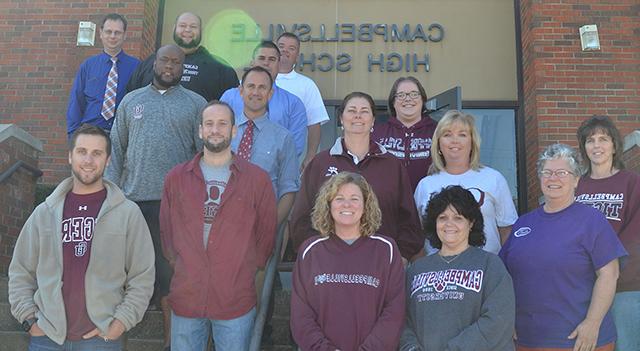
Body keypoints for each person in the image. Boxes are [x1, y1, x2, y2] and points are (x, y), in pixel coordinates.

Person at [8, 124, 155, 350]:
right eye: (82, 151)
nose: (88, 160)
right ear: (70, 156)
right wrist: (29, 319)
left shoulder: (127, 213)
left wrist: (119, 323)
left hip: (102, 338)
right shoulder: (44, 213)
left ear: (107, 160)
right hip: (47, 337)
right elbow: (20, 271)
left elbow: (142, 276)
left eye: (97, 153)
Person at [105, 44, 207, 350]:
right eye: (165, 60)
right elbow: (116, 152)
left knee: (170, 280)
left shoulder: (196, 104)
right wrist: (110, 199)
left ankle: (169, 345)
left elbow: (202, 157)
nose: (170, 66)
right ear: (155, 63)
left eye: (176, 62)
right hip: (132, 203)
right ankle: (115, 343)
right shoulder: (130, 101)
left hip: (175, 208)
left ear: (183, 67)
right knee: (123, 279)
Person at [160, 100, 277, 351]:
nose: (215, 129)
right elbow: (167, 236)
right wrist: (185, 266)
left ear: (234, 130)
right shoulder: (176, 178)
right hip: (187, 295)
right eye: (209, 124)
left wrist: (243, 269)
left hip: (234, 298)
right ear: (200, 130)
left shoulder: (257, 180)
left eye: (223, 124)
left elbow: (266, 237)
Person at [500, 143, 627, 351]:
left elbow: (609, 274)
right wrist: (505, 318)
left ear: (576, 179)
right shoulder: (523, 224)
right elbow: (502, 277)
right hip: (527, 339)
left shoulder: (592, 220)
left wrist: (592, 323)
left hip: (579, 340)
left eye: (561, 172)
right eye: (547, 172)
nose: (553, 178)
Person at [289, 91, 423, 261]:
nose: (358, 116)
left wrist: (400, 256)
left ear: (373, 120)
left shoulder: (392, 165)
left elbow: (409, 219)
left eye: (364, 111)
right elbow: (301, 218)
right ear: (341, 119)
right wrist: (315, 255)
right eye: (352, 111)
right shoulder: (319, 164)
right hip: (329, 263)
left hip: (381, 263)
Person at [291, 172, 405, 350]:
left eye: (354, 198)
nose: (347, 204)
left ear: (366, 205)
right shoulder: (310, 251)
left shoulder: (386, 250)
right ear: (328, 205)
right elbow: (301, 315)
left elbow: (394, 312)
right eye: (339, 198)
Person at [400, 185, 515, 351]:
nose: (449, 224)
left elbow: (498, 320)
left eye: (458, 218)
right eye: (442, 217)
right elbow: (401, 319)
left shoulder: (490, 265)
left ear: (471, 223)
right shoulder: (416, 270)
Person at [575, 116, 640, 351]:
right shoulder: (576, 186)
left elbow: (635, 233)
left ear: (614, 145)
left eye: (603, 139)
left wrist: (608, 267)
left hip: (626, 285)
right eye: (590, 140)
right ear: (584, 147)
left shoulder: (631, 182)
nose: (596, 145)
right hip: (583, 286)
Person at [414, 110, 518, 255]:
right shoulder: (425, 185)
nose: (454, 140)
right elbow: (417, 235)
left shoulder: (494, 179)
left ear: (472, 142)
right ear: (438, 143)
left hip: (485, 270)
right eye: (447, 134)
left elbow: (507, 230)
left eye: (462, 134)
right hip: (439, 272)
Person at [232, 66, 299, 227]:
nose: (256, 92)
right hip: (224, 225)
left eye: (262, 87)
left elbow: (288, 189)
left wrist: (270, 227)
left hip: (262, 224)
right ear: (241, 91)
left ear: (270, 94)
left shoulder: (283, 137)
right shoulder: (224, 131)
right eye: (251, 86)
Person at [221, 41, 307, 157]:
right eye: (261, 58)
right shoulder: (230, 97)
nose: (266, 63)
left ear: (279, 64)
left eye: (272, 59)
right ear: (252, 62)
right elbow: (219, 134)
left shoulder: (294, 104)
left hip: (272, 172)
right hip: (231, 170)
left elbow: (294, 148)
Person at [126, 12, 238, 101]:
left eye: (193, 26)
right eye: (182, 25)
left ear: (201, 31)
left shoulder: (219, 67)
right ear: (174, 28)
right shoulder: (151, 62)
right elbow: (131, 96)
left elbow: (232, 104)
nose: (187, 30)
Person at [66, 13, 140, 137]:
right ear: (100, 33)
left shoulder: (136, 67)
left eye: (117, 32)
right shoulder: (88, 66)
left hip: (122, 135)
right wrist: (73, 135)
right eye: (108, 31)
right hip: (90, 132)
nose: (112, 36)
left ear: (125, 35)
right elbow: (76, 102)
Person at [372, 76, 437, 191]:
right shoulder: (376, 133)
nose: (407, 99)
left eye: (414, 94)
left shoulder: (438, 131)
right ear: (393, 102)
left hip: (430, 203)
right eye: (401, 95)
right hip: (389, 205)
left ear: (423, 99)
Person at [276, 32, 330, 169]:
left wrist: (310, 156)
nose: (285, 50)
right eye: (281, 46)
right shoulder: (253, 81)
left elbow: (314, 123)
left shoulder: (306, 85)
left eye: (291, 48)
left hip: (291, 160)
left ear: (297, 57)